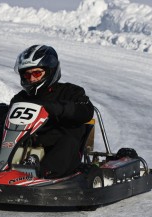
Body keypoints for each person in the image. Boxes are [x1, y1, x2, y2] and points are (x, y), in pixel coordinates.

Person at [10, 45, 95, 179]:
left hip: (58, 144)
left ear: (50, 71)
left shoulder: (71, 92)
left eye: (37, 73)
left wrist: (57, 108)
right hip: (26, 140)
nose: (31, 79)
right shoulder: (21, 97)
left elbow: (86, 112)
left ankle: (43, 174)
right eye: (27, 74)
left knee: (68, 141)